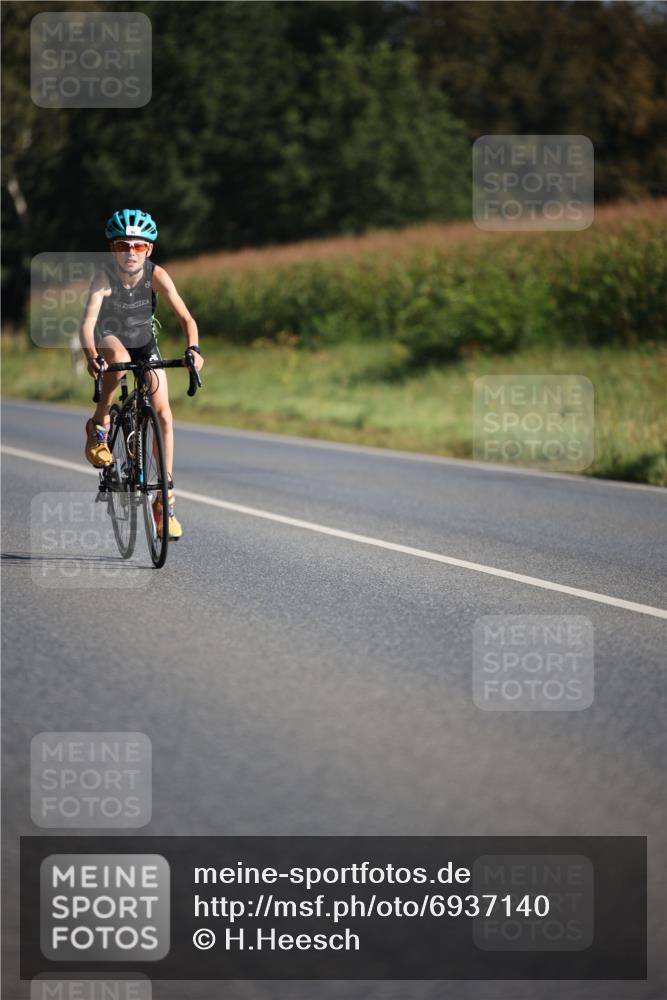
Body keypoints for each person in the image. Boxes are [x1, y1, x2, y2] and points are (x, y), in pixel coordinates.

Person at [79, 208, 204, 540]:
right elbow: (88, 322)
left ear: (148, 249)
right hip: (111, 340)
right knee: (117, 356)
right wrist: (91, 355)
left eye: (137, 246)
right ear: (112, 249)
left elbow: (187, 320)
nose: (130, 252)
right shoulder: (104, 277)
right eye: (122, 245)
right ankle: (100, 424)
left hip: (146, 345)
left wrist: (194, 350)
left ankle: (165, 501)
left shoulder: (157, 275)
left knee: (164, 414)